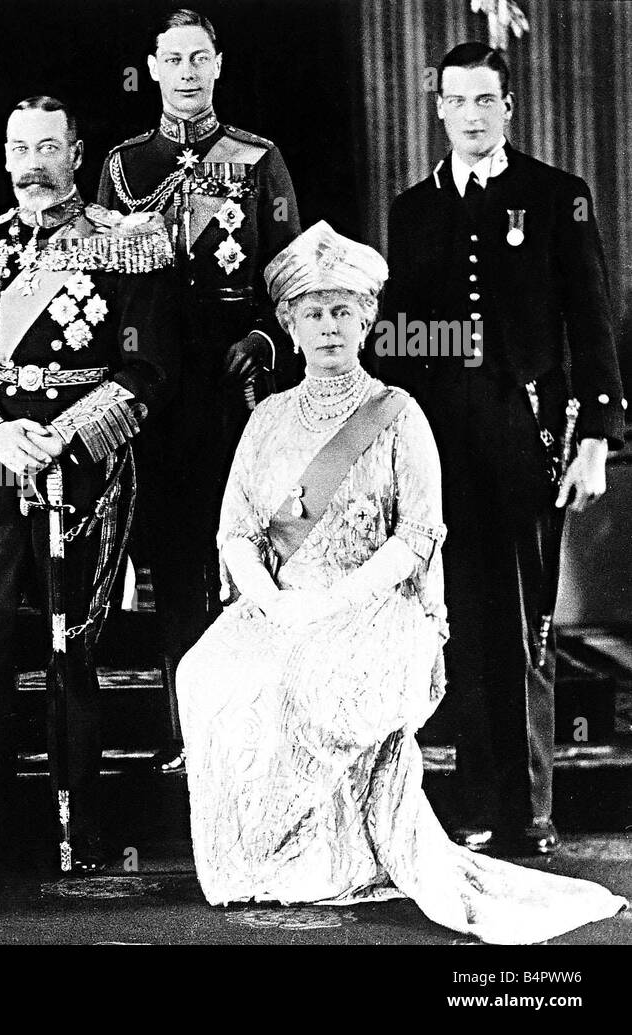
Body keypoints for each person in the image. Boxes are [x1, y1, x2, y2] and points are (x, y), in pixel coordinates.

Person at [177, 221, 627, 943]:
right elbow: (235, 531)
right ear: (289, 326)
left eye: (342, 312)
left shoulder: (399, 415)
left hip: (379, 603)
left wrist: (334, 602)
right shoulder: (266, 419)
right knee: (208, 670)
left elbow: (419, 535)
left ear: (366, 321)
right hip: (283, 598)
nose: (328, 327)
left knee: (303, 676)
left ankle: (330, 859)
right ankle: (256, 860)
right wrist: (268, 597)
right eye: (313, 313)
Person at [378, 43, 627, 855]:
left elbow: (590, 326)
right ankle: (477, 804)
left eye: (487, 99)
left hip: (529, 437)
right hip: (442, 442)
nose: (473, 114)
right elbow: (403, 335)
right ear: (439, 107)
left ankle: (534, 812)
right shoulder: (412, 210)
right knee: (464, 620)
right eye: (458, 100)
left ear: (509, 106)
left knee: (528, 624)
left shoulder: (558, 197)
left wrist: (595, 437)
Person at [0, 96, 178, 872]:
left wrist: (64, 434)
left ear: (76, 153)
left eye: (48, 147)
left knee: (74, 646)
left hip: (86, 469)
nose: (32, 164)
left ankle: (85, 826)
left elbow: (147, 367)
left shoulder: (125, 245)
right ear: (4, 159)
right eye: (18, 149)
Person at [97, 8, 301, 769]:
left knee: (245, 555)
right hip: (155, 387)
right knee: (173, 561)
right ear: (151, 67)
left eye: (199, 58)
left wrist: (265, 341)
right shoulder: (124, 169)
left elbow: (288, 276)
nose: (186, 73)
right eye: (172, 59)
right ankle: (185, 731)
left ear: (219, 64)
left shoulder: (258, 160)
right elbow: (106, 279)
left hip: (233, 385)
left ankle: (251, 728)